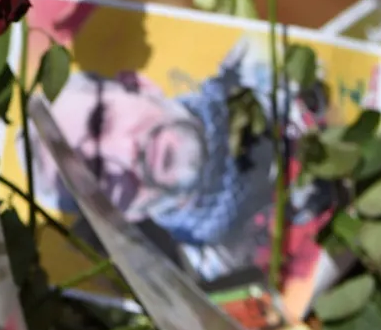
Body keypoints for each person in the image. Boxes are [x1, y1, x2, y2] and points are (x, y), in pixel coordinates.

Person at [24, 37, 333, 283]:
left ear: (138, 85)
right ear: (116, 216)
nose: (126, 152)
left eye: (101, 120)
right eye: (95, 172)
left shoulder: (264, 59)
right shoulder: (216, 286)